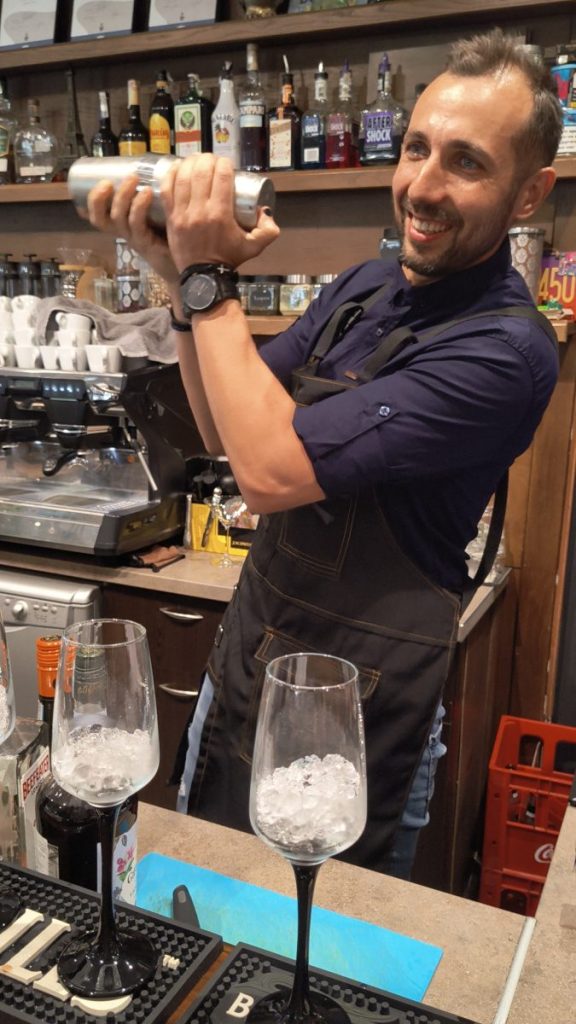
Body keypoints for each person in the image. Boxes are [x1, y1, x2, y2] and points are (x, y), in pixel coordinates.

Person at [86, 28, 563, 878]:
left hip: (356, 718)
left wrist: (210, 279)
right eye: (416, 148)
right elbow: (223, 432)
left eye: (466, 162)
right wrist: (183, 283)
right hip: (248, 663)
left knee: (308, 939)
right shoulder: (362, 287)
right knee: (199, 905)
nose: (422, 186)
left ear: (530, 193)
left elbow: (269, 475)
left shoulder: (504, 352)